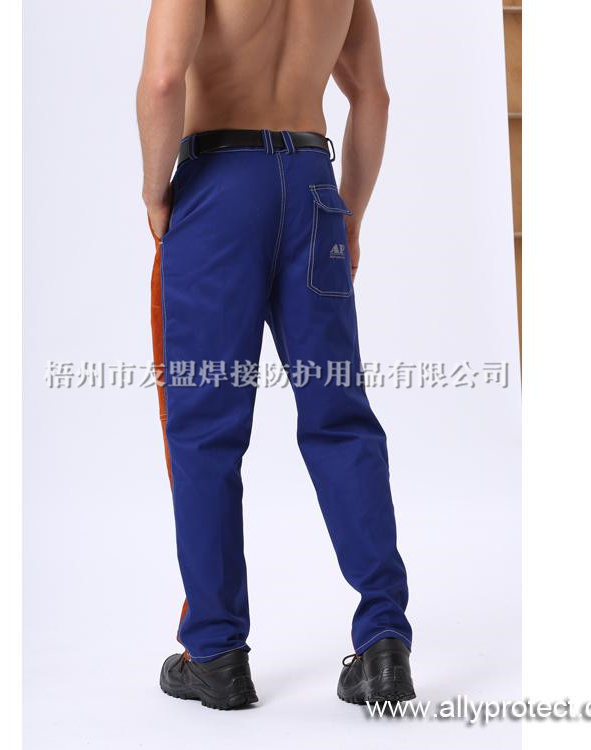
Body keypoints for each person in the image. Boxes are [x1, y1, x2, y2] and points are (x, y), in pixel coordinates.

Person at [137, 0, 414, 709]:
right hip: (313, 186)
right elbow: (373, 96)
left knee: (205, 428)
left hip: (219, 187)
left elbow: (165, 80)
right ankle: (384, 642)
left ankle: (216, 653)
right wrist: (350, 214)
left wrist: (154, 192)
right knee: (340, 417)